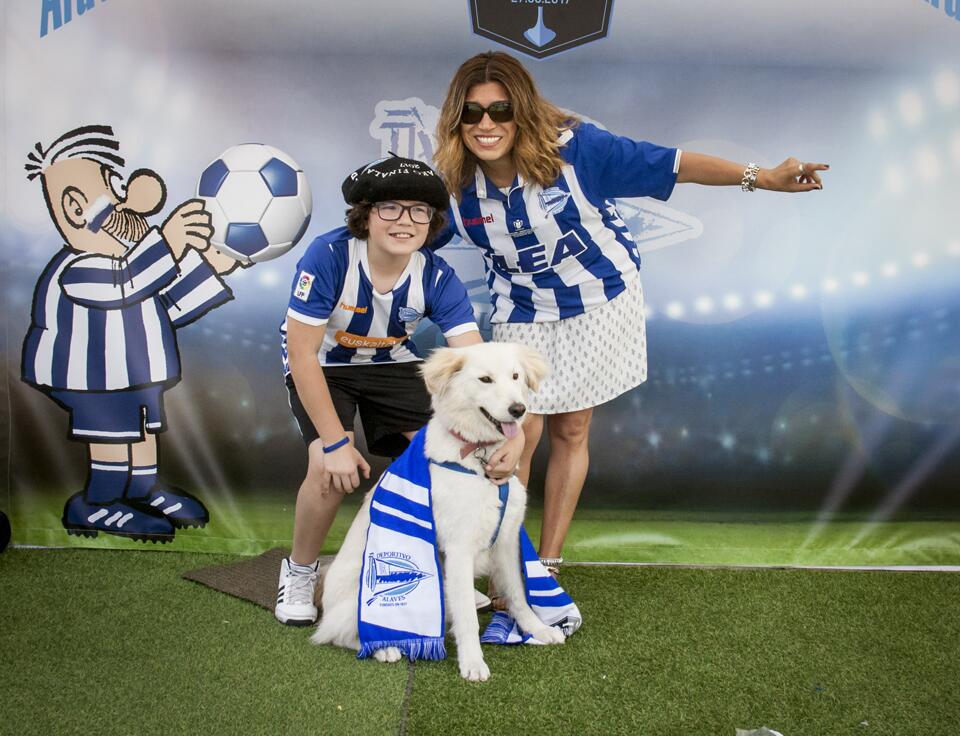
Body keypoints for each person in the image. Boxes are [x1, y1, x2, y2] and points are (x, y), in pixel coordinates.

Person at [433, 51, 828, 576]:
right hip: (523, 309)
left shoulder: (581, 152)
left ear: (522, 111)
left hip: (601, 300)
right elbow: (407, 235)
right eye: (472, 112)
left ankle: (546, 563)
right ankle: (507, 560)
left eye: (500, 110)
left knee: (571, 431)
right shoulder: (454, 185)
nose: (486, 124)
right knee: (517, 435)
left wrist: (763, 177)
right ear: (456, 120)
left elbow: (675, 164)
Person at [275, 155, 523, 626]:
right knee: (327, 468)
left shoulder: (436, 275)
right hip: (324, 365)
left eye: (418, 211)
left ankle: (439, 569)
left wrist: (513, 435)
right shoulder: (328, 257)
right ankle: (302, 571)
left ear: (431, 223)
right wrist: (334, 443)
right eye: (390, 208)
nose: (404, 221)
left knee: (450, 459)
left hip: (391, 363)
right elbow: (303, 355)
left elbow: (477, 362)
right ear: (365, 215)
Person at [22, 124, 238, 543]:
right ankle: (96, 504)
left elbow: (165, 305)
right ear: (74, 207)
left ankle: (142, 489)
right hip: (92, 378)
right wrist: (170, 241)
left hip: (132, 374)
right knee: (113, 432)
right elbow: (127, 282)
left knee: (140, 428)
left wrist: (210, 267)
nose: (126, 200)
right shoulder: (79, 267)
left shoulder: (125, 264)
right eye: (112, 186)